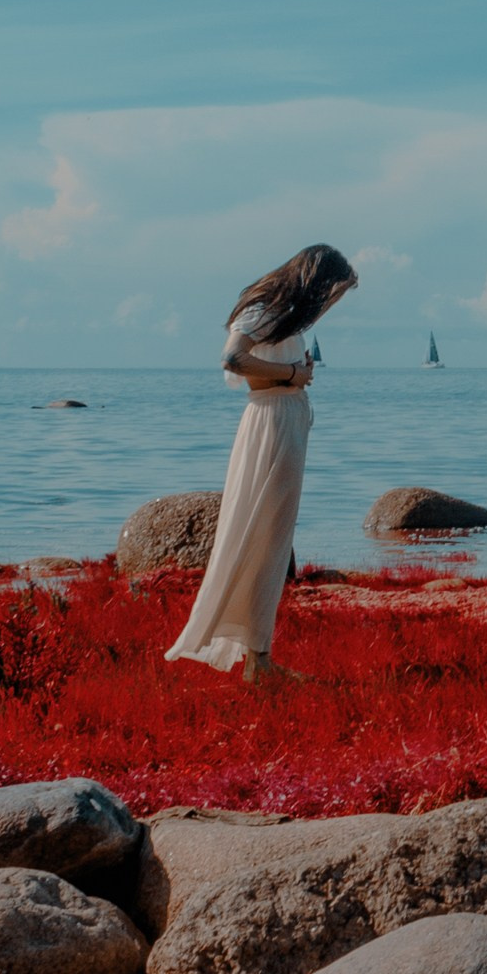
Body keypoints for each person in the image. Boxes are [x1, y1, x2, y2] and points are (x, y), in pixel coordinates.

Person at [166, 243, 358, 678]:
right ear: (312, 280)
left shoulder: (285, 312)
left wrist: (340, 293)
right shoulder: (266, 309)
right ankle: (259, 661)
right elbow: (233, 357)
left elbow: (283, 338)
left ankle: (259, 657)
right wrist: (293, 375)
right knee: (264, 537)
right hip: (272, 422)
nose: (327, 298)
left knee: (271, 539)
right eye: (328, 289)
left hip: (283, 419)